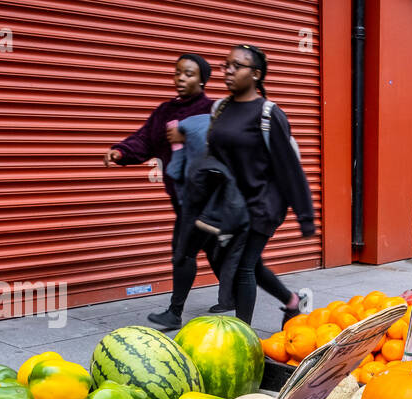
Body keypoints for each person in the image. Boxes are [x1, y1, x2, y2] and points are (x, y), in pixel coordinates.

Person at [154, 43, 315, 329]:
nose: (227, 71)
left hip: (264, 203)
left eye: (236, 66)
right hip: (230, 202)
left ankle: (243, 336)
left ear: (255, 74)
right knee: (249, 264)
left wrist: (305, 216)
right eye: (225, 65)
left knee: (243, 267)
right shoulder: (221, 108)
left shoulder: (268, 113)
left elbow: (289, 166)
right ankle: (291, 301)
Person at [103, 55, 214, 262]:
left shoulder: (213, 110)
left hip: (209, 198)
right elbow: (145, 140)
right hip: (181, 198)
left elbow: (224, 144)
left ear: (202, 80)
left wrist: (189, 136)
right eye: (177, 73)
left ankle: (237, 291)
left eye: (188, 74)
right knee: (213, 256)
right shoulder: (164, 112)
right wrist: (121, 152)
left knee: (185, 254)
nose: (180, 78)